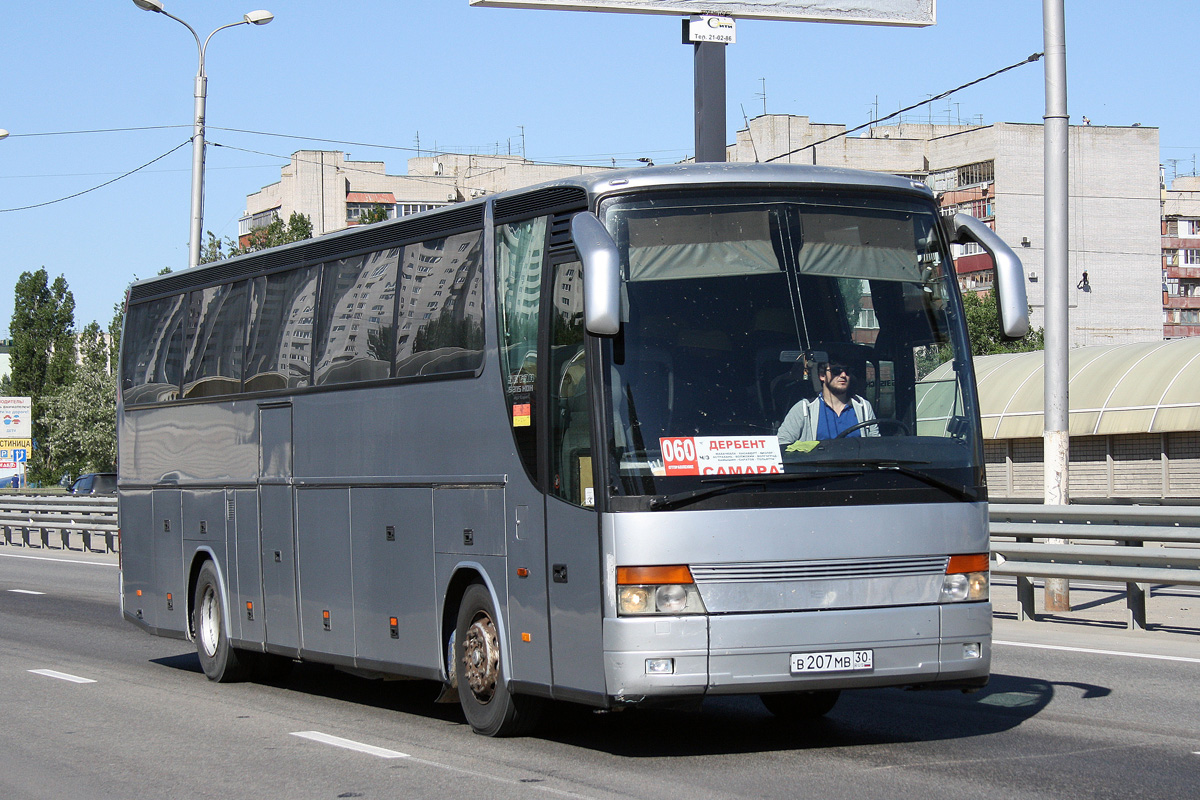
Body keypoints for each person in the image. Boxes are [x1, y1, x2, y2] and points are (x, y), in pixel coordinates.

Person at [777, 360, 878, 445]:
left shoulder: (863, 406)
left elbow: (876, 445)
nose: (843, 375)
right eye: (836, 371)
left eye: (847, 371)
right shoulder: (804, 408)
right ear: (822, 375)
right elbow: (781, 443)